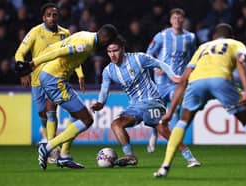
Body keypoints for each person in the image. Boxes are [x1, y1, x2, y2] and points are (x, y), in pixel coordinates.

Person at [153, 23, 246, 179]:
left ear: (214, 37)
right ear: (232, 36)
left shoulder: (203, 47)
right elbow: (241, 62)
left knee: (183, 122)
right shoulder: (236, 43)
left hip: (196, 82)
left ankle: (164, 167)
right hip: (220, 79)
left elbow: (183, 80)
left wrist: (170, 112)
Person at [15, 24, 118, 170]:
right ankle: (48, 147)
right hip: (54, 79)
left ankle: (64, 156)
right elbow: (59, 51)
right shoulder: (87, 44)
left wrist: (79, 75)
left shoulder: (85, 34)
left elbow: (57, 46)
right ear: (105, 39)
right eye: (109, 42)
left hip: (55, 77)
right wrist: (33, 63)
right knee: (87, 119)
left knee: (75, 114)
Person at [91, 35, 200, 167]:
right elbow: (104, 89)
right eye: (109, 51)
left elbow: (160, 63)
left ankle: (190, 157)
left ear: (123, 49)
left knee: (162, 128)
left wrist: (174, 77)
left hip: (152, 101)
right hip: (134, 107)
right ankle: (130, 156)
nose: (112, 54)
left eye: (115, 50)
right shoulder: (108, 71)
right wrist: (100, 103)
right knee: (116, 124)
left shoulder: (138, 58)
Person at [14, 3, 85, 165]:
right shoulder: (35, 32)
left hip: (55, 79)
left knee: (51, 110)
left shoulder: (65, 34)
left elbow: (72, 55)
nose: (52, 18)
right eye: (49, 15)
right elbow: (19, 53)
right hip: (37, 81)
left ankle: (51, 148)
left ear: (58, 17)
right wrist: (23, 71)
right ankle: (48, 139)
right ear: (43, 17)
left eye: (55, 15)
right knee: (42, 114)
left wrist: (80, 74)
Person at [146, 8, 196, 154]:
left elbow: (193, 56)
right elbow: (149, 53)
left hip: (178, 81)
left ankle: (174, 141)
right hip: (161, 81)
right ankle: (154, 135)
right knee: (156, 112)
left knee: (176, 109)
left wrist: (190, 71)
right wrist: (156, 66)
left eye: (180, 18)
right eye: (175, 18)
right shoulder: (162, 36)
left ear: (183, 20)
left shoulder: (190, 37)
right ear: (170, 20)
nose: (177, 20)